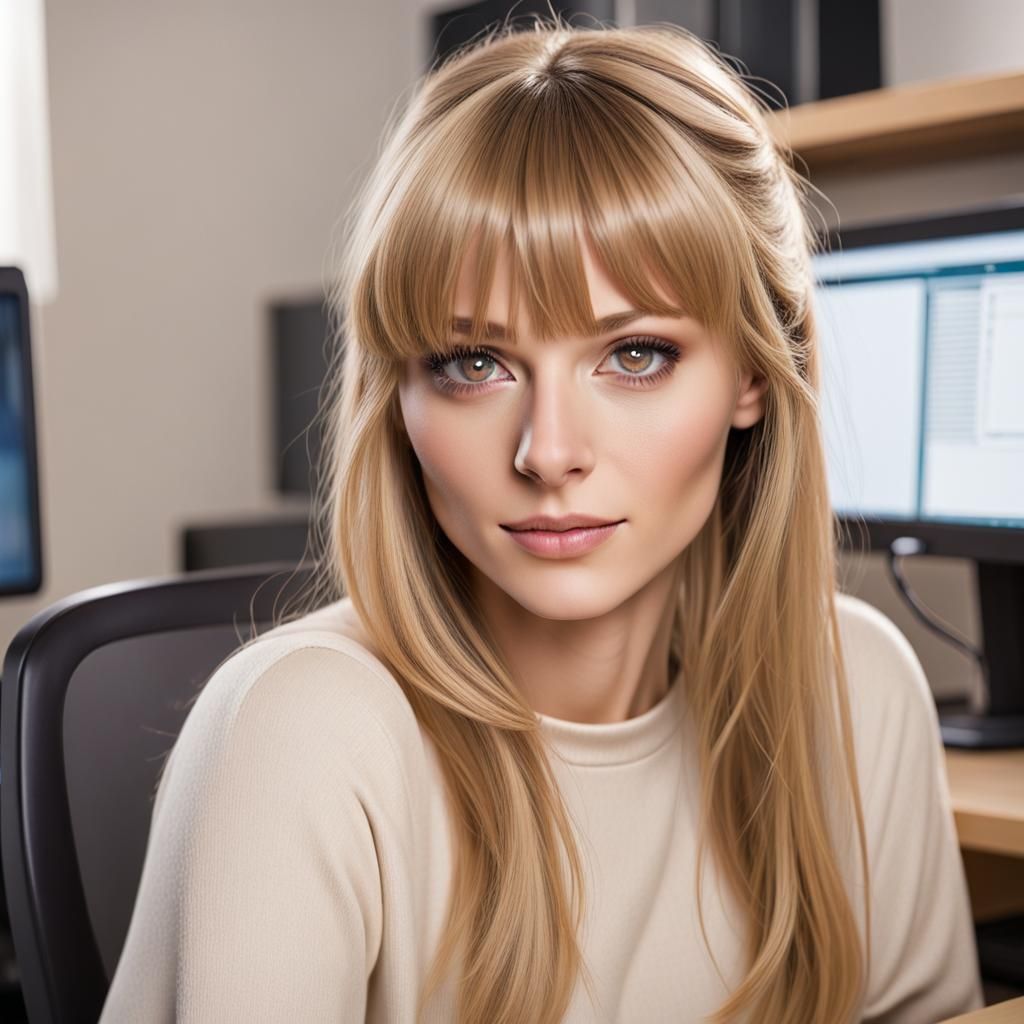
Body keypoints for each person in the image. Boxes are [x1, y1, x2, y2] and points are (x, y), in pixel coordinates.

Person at [98, 15, 985, 1024]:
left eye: (634, 354)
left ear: (752, 369)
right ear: (398, 395)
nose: (548, 450)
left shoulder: (856, 692)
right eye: (474, 364)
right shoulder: (301, 733)